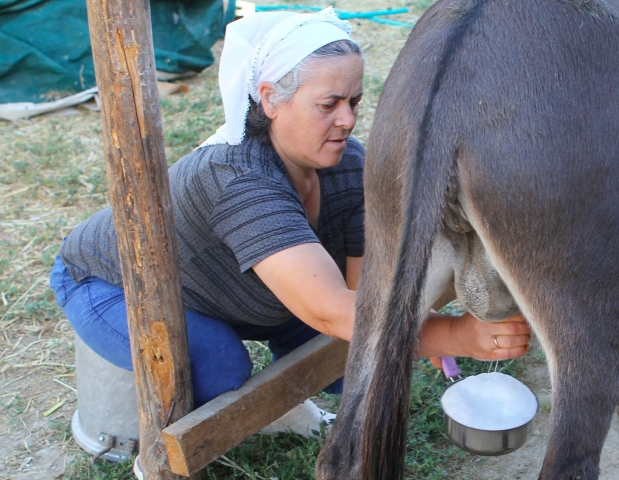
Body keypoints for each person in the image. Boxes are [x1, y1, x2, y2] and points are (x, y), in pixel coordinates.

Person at [49, 6, 531, 448]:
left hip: (226, 287)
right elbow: (333, 312)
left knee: (348, 364)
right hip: (108, 282)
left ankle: (279, 383)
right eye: (329, 104)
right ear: (270, 100)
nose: (347, 120)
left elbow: (362, 298)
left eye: (355, 101)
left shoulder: (350, 166)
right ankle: (132, 445)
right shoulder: (237, 179)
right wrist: (453, 335)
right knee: (221, 366)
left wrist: (406, 332)